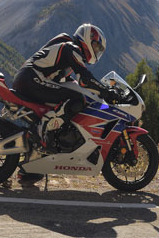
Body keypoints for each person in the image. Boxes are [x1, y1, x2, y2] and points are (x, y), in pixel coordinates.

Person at [12, 23, 112, 183]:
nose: (96, 50)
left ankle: (30, 168)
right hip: (32, 78)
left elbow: (71, 81)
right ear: (86, 38)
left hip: (31, 78)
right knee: (77, 99)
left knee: (74, 95)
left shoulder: (68, 52)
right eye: (95, 45)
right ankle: (43, 130)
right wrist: (106, 90)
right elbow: (85, 79)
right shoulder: (71, 48)